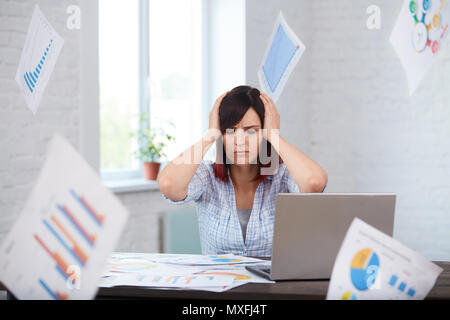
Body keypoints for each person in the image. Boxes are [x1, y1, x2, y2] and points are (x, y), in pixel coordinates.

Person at [157, 85, 327, 256]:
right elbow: (169, 184)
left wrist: (274, 136)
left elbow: (314, 183)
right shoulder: (207, 176)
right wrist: (209, 136)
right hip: (218, 280)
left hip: (271, 283)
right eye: (229, 131)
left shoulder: (281, 176)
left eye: (251, 131)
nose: (239, 141)